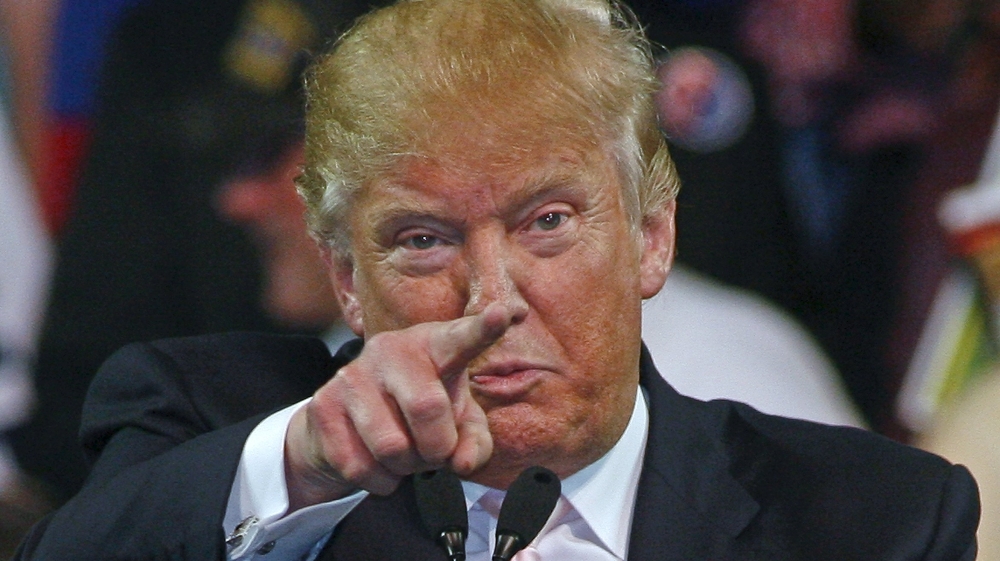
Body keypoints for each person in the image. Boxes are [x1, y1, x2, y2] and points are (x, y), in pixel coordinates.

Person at [15, 0, 980, 559]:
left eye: (547, 223)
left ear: (651, 237)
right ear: (346, 277)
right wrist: (303, 462)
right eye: (425, 239)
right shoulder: (208, 426)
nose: (493, 296)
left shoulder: (871, 520)